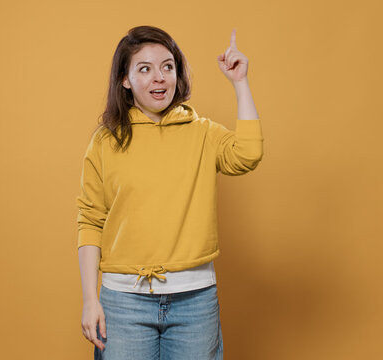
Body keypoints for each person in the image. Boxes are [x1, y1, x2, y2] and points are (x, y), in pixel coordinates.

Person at [76, 25, 263, 359]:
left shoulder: (202, 133)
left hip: (194, 301)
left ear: (178, 74)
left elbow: (248, 155)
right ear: (125, 79)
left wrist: (240, 83)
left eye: (167, 66)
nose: (158, 77)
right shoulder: (106, 142)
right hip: (123, 303)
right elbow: (90, 221)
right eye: (144, 69)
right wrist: (91, 301)